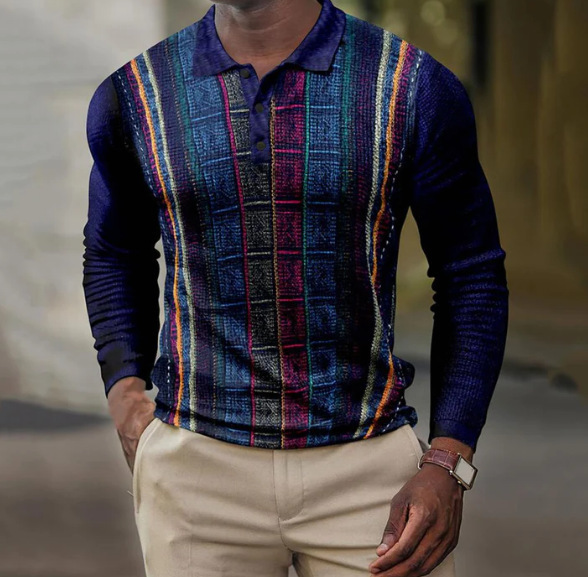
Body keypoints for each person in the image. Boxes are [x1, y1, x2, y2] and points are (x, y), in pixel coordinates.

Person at [82, 0, 509, 575]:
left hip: (369, 472)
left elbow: (470, 273)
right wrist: (125, 392)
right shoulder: (137, 95)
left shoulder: (409, 86)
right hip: (196, 470)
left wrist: (449, 458)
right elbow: (115, 252)